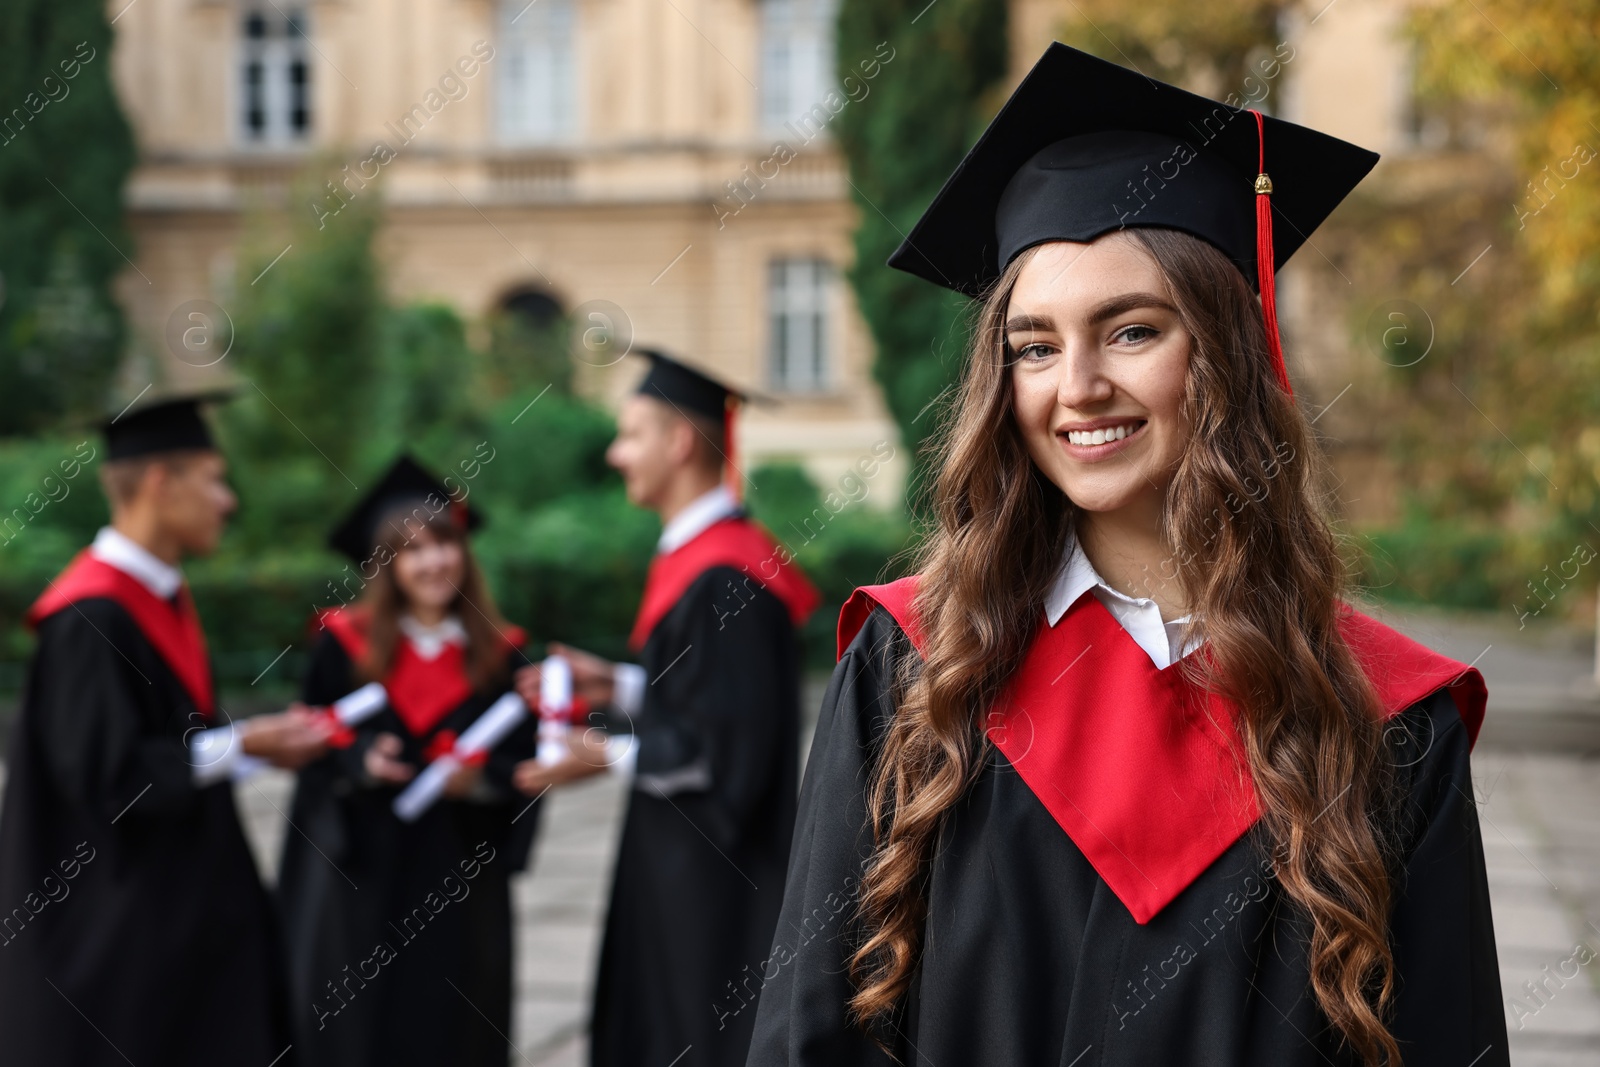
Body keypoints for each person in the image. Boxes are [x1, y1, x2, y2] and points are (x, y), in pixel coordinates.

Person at [747, 44, 1509, 1067]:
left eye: (1134, 330)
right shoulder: (915, 669)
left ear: (1229, 355)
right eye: (1034, 345)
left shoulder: (1385, 718)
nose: (1077, 386)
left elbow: (1444, 1040)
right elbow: (811, 1029)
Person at [0, 390, 335, 1065]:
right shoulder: (92, 616)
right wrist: (244, 743)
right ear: (161, 481)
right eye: (214, 478)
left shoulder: (156, 596)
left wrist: (255, 750)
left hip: (177, 916)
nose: (228, 499)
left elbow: (173, 745)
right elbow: (108, 776)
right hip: (112, 932)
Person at [511, 349, 822, 1067]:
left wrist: (608, 754)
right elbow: (708, 698)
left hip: (714, 886)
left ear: (680, 442)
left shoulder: (725, 578)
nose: (616, 452)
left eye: (631, 433)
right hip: (681, 864)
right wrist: (620, 686)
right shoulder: (707, 559)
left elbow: (729, 757)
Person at [276, 454, 541, 1067]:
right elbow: (310, 749)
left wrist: (482, 782)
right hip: (364, 873)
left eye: (444, 544)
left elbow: (528, 765)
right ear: (385, 566)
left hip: (460, 875)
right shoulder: (341, 647)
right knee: (365, 1021)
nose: (433, 562)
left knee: (456, 1018)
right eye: (411, 550)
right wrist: (362, 762)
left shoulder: (504, 656)